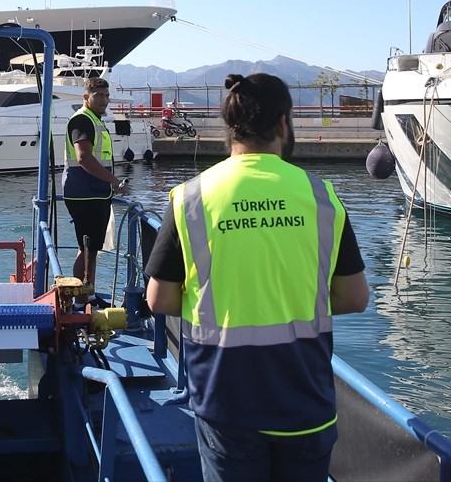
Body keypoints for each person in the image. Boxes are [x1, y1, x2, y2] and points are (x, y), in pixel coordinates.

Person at [145, 72, 369, 482]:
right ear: (283, 123)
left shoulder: (191, 198)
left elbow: (159, 300)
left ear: (229, 127)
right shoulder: (322, 197)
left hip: (225, 400)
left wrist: (227, 298)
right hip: (304, 399)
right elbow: (355, 298)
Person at [62, 75, 126, 303]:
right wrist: (114, 181)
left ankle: (87, 294)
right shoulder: (82, 121)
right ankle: (82, 298)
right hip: (85, 194)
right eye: (99, 95)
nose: (104, 100)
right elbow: (84, 158)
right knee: (87, 248)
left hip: (94, 193)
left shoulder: (95, 120)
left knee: (91, 248)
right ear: (86, 97)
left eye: (107, 95)